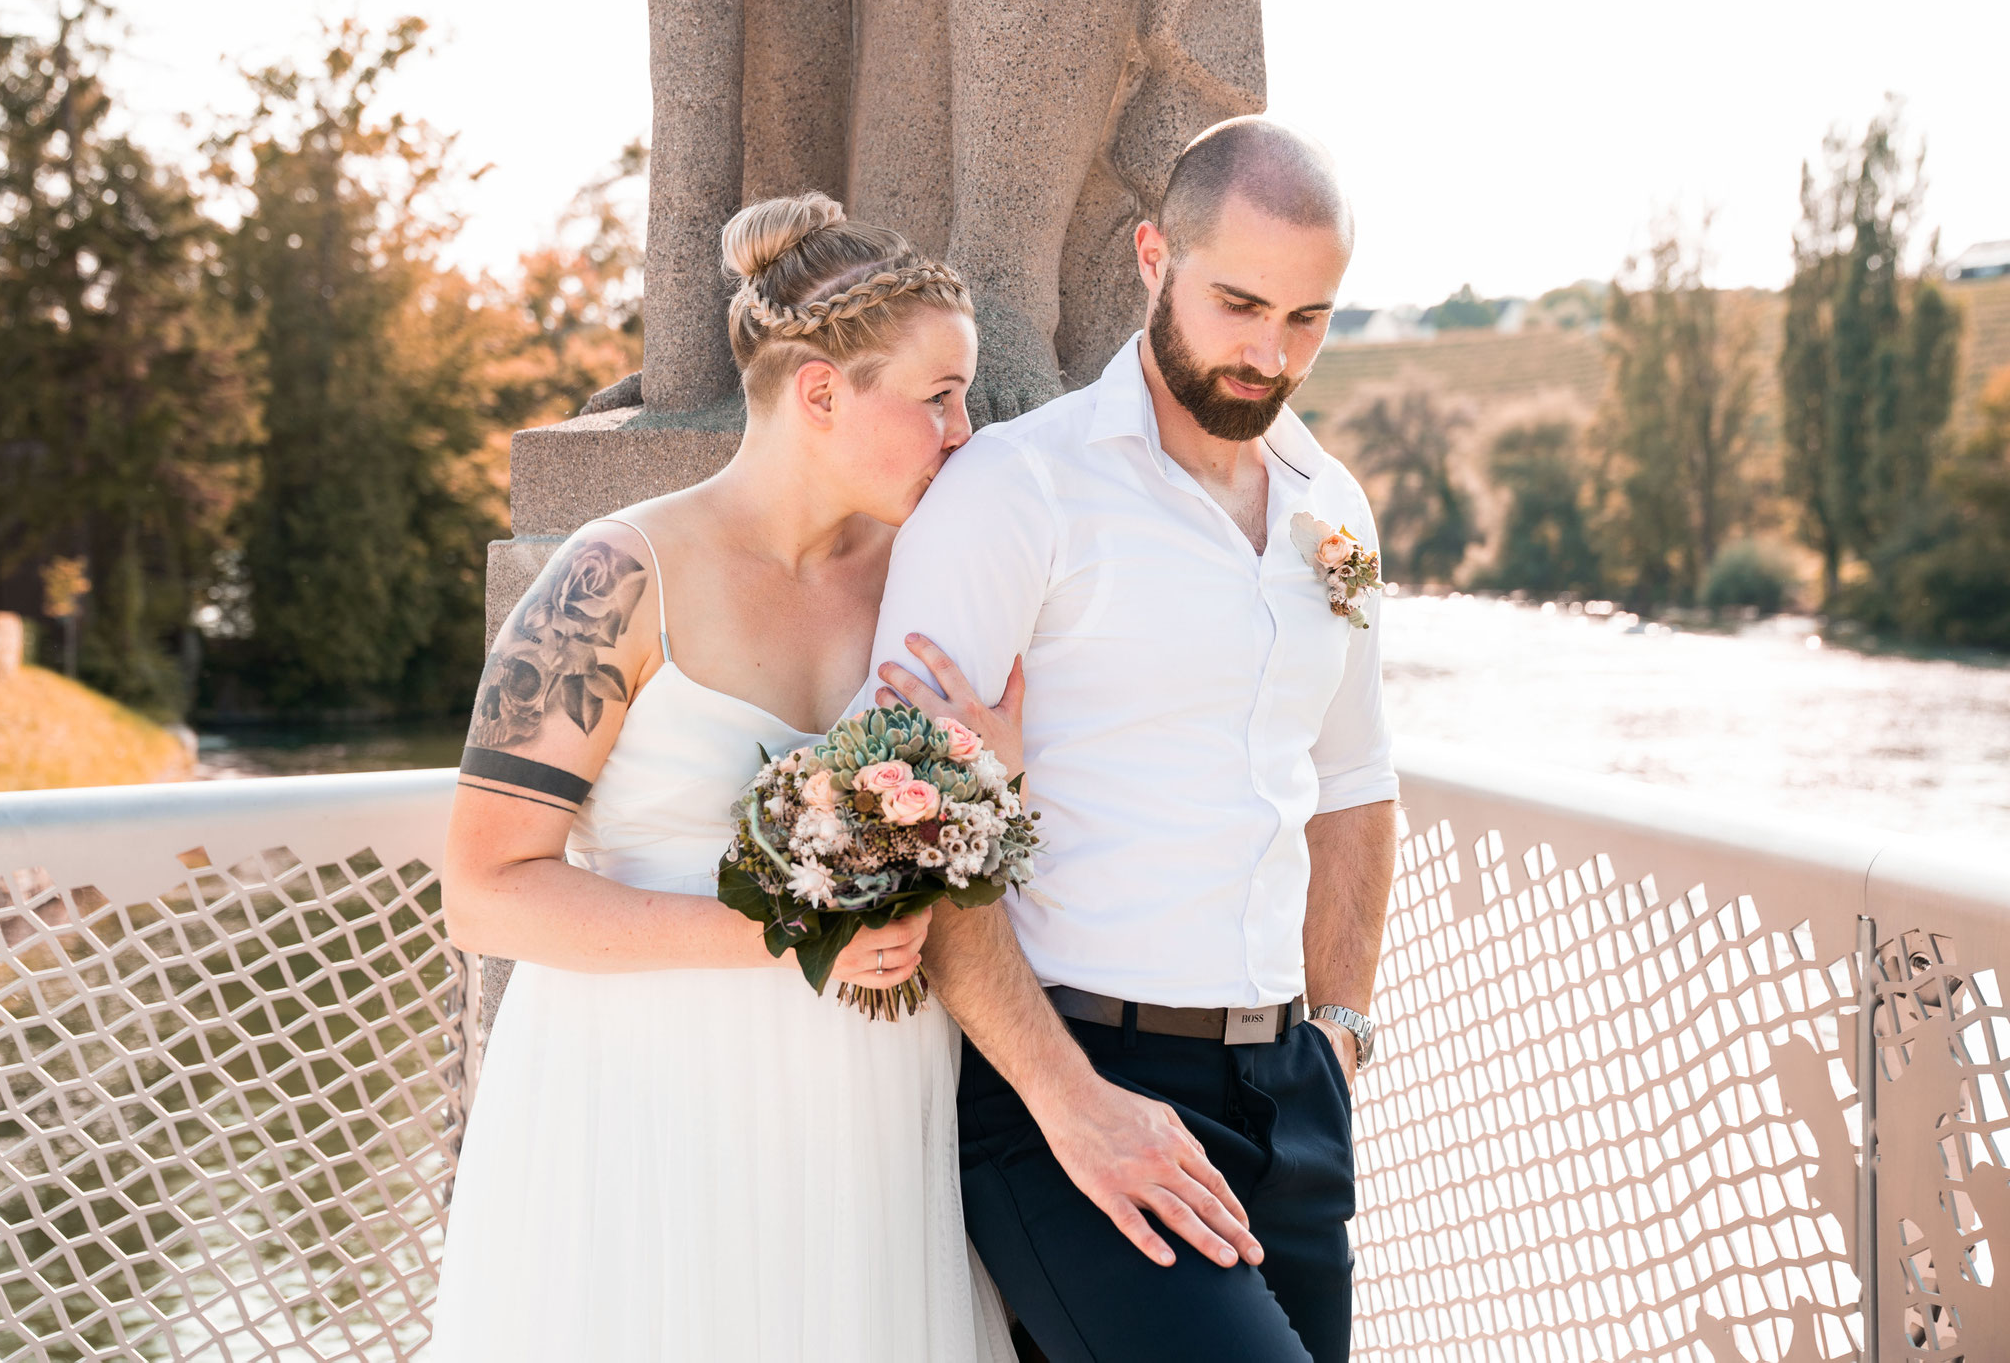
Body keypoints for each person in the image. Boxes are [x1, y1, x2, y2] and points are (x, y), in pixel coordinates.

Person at [430, 192, 1017, 1363]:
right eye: (938, 397)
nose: (965, 431)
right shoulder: (612, 580)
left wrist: (990, 778)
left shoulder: (934, 579)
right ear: (819, 392)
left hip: (866, 1118)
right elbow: (486, 890)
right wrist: (788, 933)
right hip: (643, 1111)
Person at [862, 117, 1399, 1362]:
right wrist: (1070, 1102)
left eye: (1309, 319)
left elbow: (1354, 783)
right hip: (1071, 1089)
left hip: (1294, 1097)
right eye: (1239, 304)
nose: (1270, 353)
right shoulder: (1015, 488)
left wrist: (1340, 1034)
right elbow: (909, 818)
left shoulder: (1332, 506)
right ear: (1154, 255)